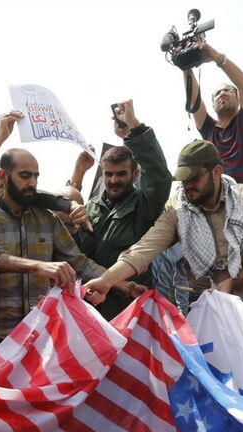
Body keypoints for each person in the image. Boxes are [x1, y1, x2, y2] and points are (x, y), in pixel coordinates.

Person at [85, 140, 243, 317]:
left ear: (216, 171)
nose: (187, 185)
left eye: (194, 178)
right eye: (183, 179)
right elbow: (143, 250)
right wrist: (106, 281)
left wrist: (233, 281)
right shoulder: (178, 209)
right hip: (211, 305)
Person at [0, 148, 127, 353]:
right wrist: (40, 267)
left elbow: (80, 263)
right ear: (3, 176)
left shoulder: (47, 219)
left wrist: (123, 284)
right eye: (25, 176)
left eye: (35, 176)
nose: (32, 183)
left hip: (41, 335)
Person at [69, 99, 172, 319]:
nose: (113, 180)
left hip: (131, 308)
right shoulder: (92, 206)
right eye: (108, 174)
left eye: (121, 174)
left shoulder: (144, 205)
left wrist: (134, 127)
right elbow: (80, 254)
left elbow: (159, 176)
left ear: (135, 175)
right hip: (94, 303)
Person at [179, 42, 243, 193]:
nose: (223, 94)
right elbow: (195, 103)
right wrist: (185, 66)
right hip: (220, 199)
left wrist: (217, 58)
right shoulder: (209, 130)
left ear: (239, 98)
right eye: (217, 94)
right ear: (212, 105)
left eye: (228, 90)